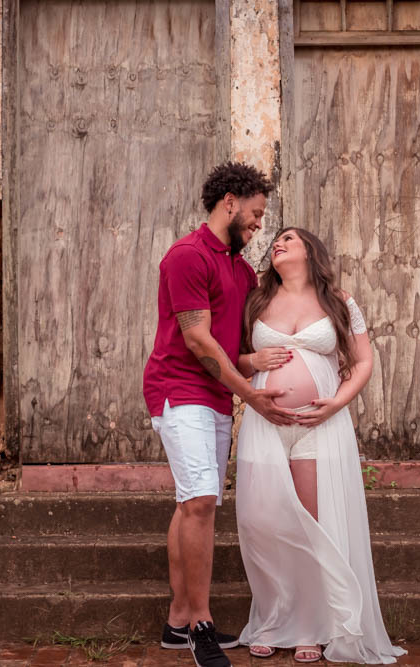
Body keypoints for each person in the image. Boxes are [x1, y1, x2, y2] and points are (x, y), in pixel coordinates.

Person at [142, 162, 297, 667]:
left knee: (192, 501)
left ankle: (177, 621)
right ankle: (200, 626)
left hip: (215, 396)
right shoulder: (187, 256)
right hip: (178, 388)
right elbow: (198, 340)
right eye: (255, 213)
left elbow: (231, 349)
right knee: (203, 500)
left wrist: (261, 362)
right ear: (229, 202)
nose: (259, 225)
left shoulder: (241, 270)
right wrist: (251, 396)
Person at [235, 228, 407, 664]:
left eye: (289, 238)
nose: (278, 243)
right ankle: (273, 619)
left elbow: (363, 361)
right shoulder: (256, 301)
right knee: (263, 522)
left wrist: (337, 403)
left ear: (310, 251)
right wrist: (253, 361)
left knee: (313, 523)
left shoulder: (339, 302)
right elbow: (231, 358)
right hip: (265, 425)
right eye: (276, 240)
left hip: (319, 426)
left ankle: (311, 627)